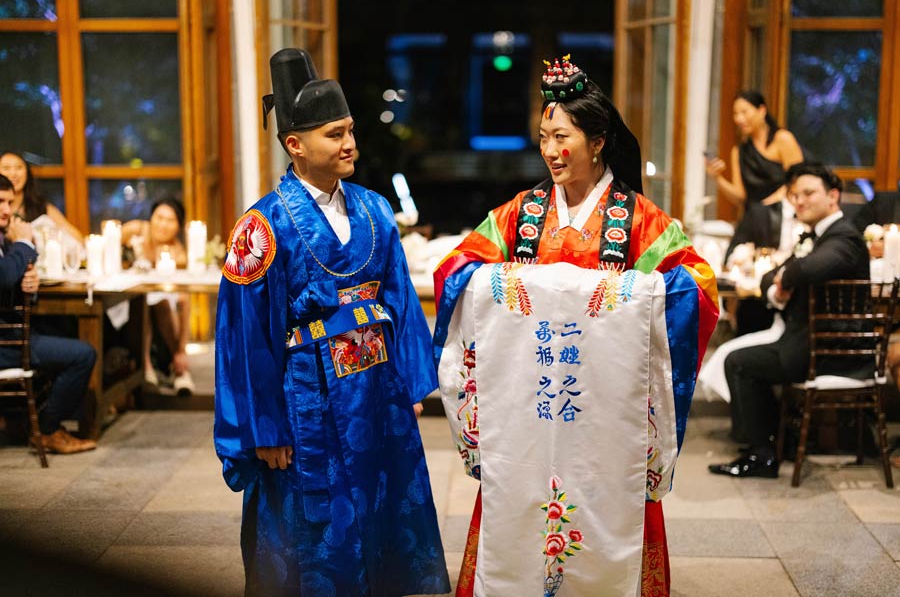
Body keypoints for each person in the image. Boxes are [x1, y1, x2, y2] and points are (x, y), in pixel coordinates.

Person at [433, 55, 719, 597]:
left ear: (598, 140)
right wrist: (508, 284)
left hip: (609, 410)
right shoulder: (521, 213)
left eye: (562, 137)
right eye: (543, 137)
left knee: (610, 503)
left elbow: (698, 285)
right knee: (517, 494)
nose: (550, 151)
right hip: (530, 406)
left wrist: (633, 294)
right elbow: (456, 269)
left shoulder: (636, 218)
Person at [214, 48, 449, 596]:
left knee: (383, 505)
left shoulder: (374, 210)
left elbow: (400, 300)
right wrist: (263, 429)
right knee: (311, 525)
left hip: (377, 390)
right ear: (295, 145)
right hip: (305, 402)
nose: (350, 145)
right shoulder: (261, 227)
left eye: (350, 131)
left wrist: (411, 383)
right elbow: (245, 338)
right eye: (334, 135)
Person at [709, 162, 869, 479]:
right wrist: (778, 287)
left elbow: (803, 270)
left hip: (834, 352)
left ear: (833, 196)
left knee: (739, 362)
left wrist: (786, 276)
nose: (799, 201)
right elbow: (770, 278)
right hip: (807, 342)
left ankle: (763, 454)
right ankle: (768, 444)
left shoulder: (845, 238)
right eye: (795, 195)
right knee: (735, 357)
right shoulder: (814, 238)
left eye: (809, 193)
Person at [0, 174, 97, 454]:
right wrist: (26, 244)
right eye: (1, 202)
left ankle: (24, 421)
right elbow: (5, 276)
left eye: (9, 201)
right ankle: (48, 429)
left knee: (64, 332)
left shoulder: (6, 238)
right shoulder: (13, 239)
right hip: (7, 342)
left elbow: (13, 279)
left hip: (14, 333)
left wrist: (30, 285)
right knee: (83, 355)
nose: (7, 209)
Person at [706, 91, 805, 338]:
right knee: (736, 273)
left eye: (744, 112)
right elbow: (740, 196)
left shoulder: (783, 140)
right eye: (735, 114)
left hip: (782, 218)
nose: (739, 119)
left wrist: (772, 201)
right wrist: (717, 179)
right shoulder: (740, 151)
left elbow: (798, 179)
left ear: (762, 110)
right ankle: (741, 329)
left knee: (774, 275)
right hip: (752, 221)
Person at [121, 198, 193, 395]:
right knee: (146, 301)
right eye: (159, 217)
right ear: (151, 217)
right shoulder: (136, 230)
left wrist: (183, 345)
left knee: (164, 302)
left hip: (160, 300)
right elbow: (108, 244)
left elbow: (184, 297)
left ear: (178, 225)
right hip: (127, 295)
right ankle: (147, 367)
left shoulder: (178, 252)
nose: (163, 224)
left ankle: (178, 359)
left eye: (170, 220)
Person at [0, 151, 83, 243]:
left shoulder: (40, 206)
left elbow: (77, 237)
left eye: (19, 167)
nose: (13, 174)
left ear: (27, 172)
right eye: (6, 168)